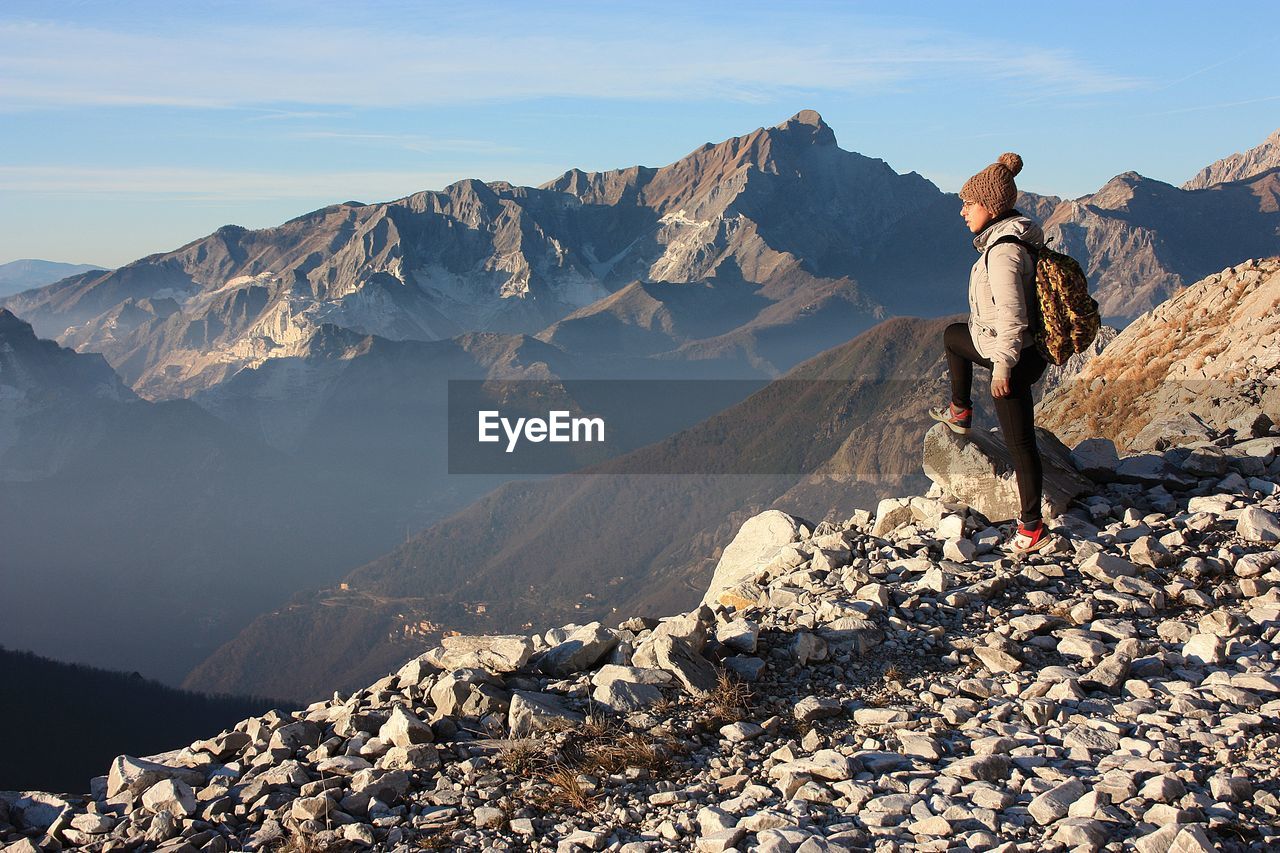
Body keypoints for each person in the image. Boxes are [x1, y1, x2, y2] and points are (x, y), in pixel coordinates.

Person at [929, 152, 1052, 554]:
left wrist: (1002, 369)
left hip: (1014, 356)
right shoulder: (1007, 241)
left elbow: (1013, 318)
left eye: (969, 204)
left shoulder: (1003, 253)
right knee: (953, 336)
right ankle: (960, 411)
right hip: (1009, 348)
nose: (963, 212)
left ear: (990, 207)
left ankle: (1032, 525)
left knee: (1020, 443)